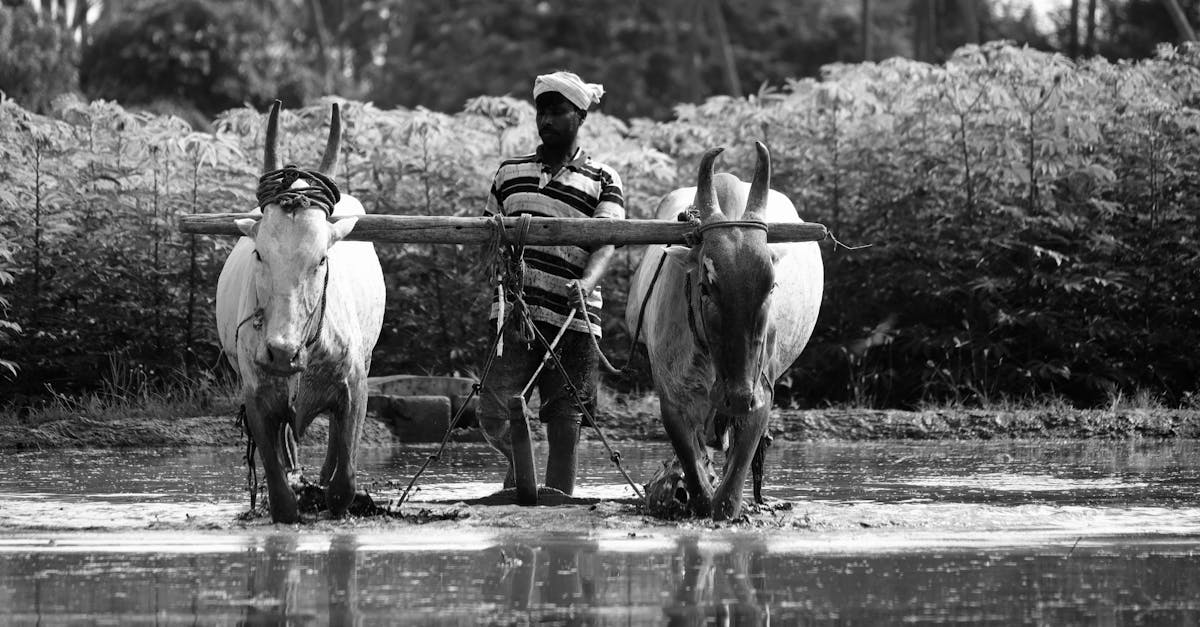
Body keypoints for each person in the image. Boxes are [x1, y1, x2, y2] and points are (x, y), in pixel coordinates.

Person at [478, 71, 624, 496]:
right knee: (496, 412)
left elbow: (608, 240)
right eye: (542, 112)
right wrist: (501, 266)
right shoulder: (509, 173)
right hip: (513, 316)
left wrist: (586, 282)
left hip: (573, 317)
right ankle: (519, 485)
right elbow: (487, 236)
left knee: (565, 418)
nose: (547, 120)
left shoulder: (603, 179)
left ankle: (559, 505)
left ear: (580, 116)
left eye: (558, 112)